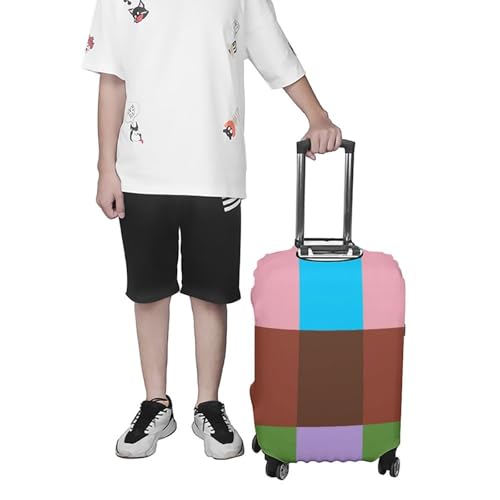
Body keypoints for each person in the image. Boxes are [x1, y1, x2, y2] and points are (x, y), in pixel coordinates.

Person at [82, 0, 342, 460]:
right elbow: (112, 77)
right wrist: (106, 167)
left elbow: (276, 53)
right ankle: (156, 403)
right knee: (149, 292)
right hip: (142, 171)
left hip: (214, 171)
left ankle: (209, 405)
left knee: (211, 293)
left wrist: (317, 116)